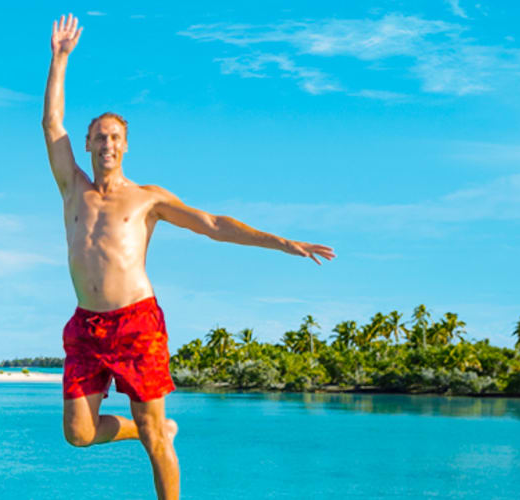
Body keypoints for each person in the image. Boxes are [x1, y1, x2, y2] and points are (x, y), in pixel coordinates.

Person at [41, 13, 335, 499]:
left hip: (136, 322)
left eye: (115, 136)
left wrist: (284, 243)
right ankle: (149, 429)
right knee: (78, 433)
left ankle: (159, 438)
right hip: (86, 327)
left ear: (125, 146)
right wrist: (60, 59)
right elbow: (52, 123)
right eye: (100, 136)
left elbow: (214, 225)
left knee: (155, 434)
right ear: (88, 143)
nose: (107, 143)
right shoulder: (72, 187)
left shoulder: (147, 199)